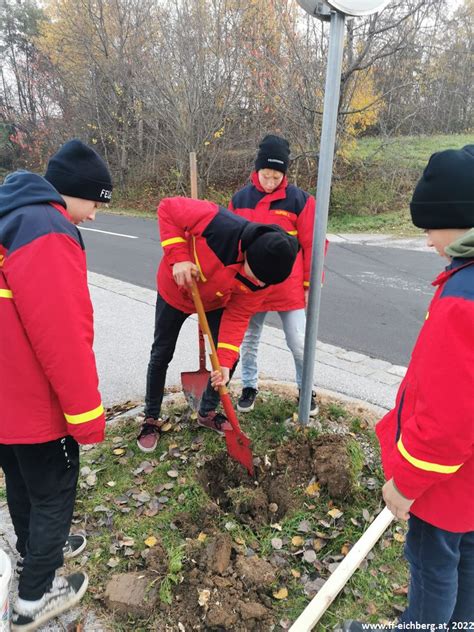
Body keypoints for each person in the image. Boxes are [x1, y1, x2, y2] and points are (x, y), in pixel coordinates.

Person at [339, 145, 474, 632]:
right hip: (471, 484)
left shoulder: (463, 300)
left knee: (432, 569)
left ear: (459, 221)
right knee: (466, 562)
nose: (425, 240)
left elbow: (448, 423)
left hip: (445, 482)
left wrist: (407, 483)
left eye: (429, 227)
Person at [0, 139, 113, 630]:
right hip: (33, 399)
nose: (93, 216)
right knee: (54, 491)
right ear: (73, 193)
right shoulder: (47, 229)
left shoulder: (12, 215)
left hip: (6, 397)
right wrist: (87, 416)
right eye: (95, 203)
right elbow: (62, 335)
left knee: (24, 480)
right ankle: (34, 599)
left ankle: (34, 550)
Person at [137, 196, 299, 452]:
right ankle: (151, 417)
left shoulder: (264, 280)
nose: (253, 282)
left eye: (259, 282)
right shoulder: (218, 222)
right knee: (161, 353)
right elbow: (167, 208)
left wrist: (223, 360)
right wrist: (178, 256)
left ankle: (207, 411)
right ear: (248, 253)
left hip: (214, 303)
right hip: (175, 291)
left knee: (226, 361)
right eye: (252, 274)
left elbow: (238, 316)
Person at [229, 134, 322, 415]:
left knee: (299, 342)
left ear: (285, 174)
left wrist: (309, 283)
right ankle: (249, 386)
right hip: (251, 286)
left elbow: (313, 245)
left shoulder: (300, 201)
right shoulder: (240, 199)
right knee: (249, 339)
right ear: (256, 171)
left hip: (288, 288)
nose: (270, 182)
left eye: (276, 177)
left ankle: (306, 390)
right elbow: (233, 243)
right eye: (266, 175)